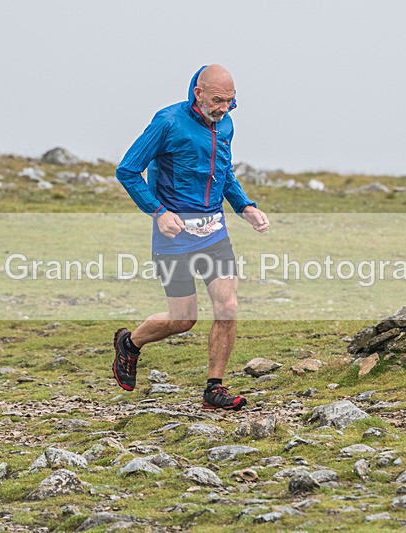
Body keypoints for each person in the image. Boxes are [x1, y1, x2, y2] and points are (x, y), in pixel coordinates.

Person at [113, 64, 270, 410]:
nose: (224, 109)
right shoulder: (168, 122)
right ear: (198, 94)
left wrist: (245, 206)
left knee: (227, 306)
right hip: (174, 237)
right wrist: (157, 211)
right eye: (217, 101)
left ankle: (215, 388)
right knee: (182, 319)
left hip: (214, 233)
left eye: (230, 102)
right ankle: (130, 343)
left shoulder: (225, 124)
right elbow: (127, 170)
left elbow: (223, 171)